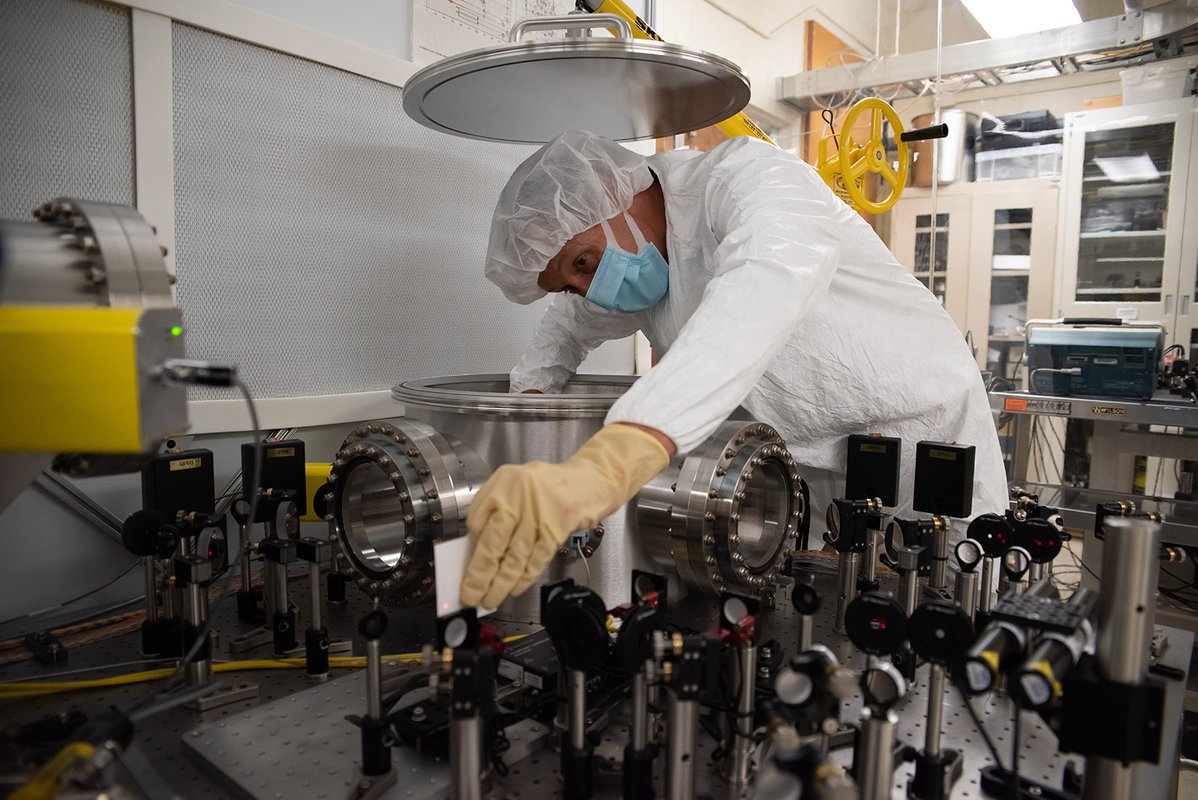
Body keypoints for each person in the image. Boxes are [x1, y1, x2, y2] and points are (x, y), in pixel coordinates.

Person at [459, 129, 1007, 609]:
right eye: (569, 284)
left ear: (610, 193)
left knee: (946, 613)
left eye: (581, 263)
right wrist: (526, 414)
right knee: (830, 622)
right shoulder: (631, 259)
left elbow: (762, 286)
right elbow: (563, 332)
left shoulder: (745, 177)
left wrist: (616, 456)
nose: (588, 290)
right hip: (816, 473)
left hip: (924, 446)